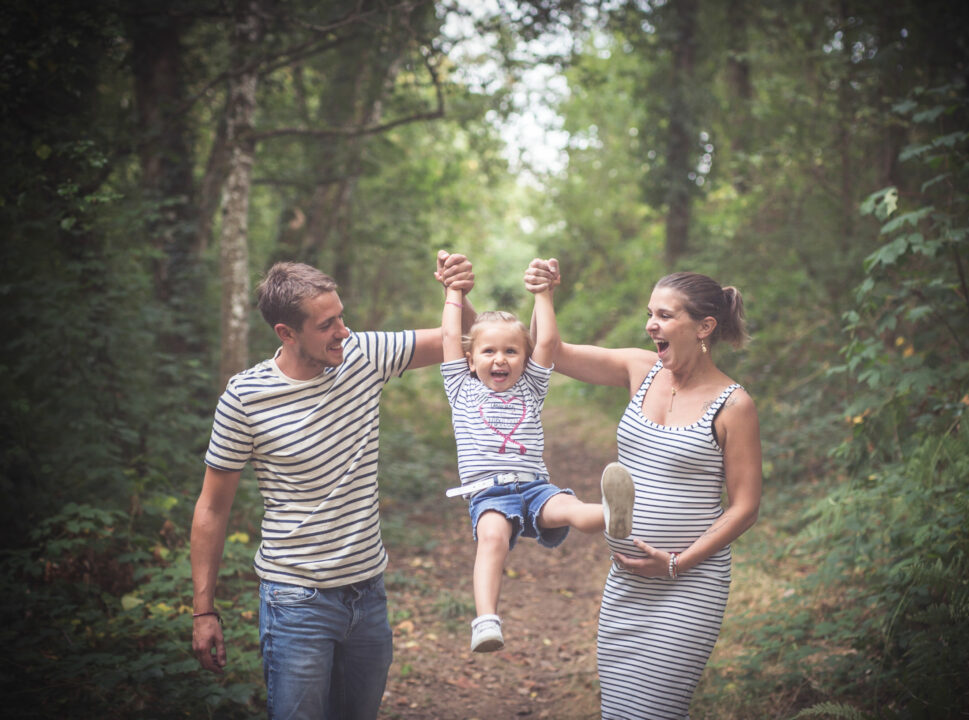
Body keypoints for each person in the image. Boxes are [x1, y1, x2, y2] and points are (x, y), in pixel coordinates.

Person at [190, 251, 475, 720]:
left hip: (368, 594)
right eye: (326, 325)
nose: (343, 331)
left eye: (341, 317)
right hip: (295, 601)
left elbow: (463, 341)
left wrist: (458, 293)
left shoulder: (363, 355)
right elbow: (212, 508)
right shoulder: (246, 397)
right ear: (286, 333)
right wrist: (203, 611)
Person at [525, 259, 763, 720]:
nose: (651, 324)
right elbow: (548, 352)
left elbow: (746, 507)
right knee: (622, 709)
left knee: (654, 710)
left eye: (665, 316)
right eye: (650, 314)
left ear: (704, 327)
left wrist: (676, 563)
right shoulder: (641, 368)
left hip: (689, 585)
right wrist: (543, 294)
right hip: (627, 583)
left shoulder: (734, 405)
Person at [440, 262, 635, 654]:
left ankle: (614, 515)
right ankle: (485, 620)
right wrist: (453, 292)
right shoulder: (461, 388)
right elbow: (449, 332)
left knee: (572, 509)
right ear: (470, 357)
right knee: (492, 537)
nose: (500, 359)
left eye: (511, 351)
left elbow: (546, 343)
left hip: (535, 486)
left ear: (524, 358)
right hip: (489, 493)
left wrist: (543, 294)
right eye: (489, 351)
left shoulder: (530, 386)